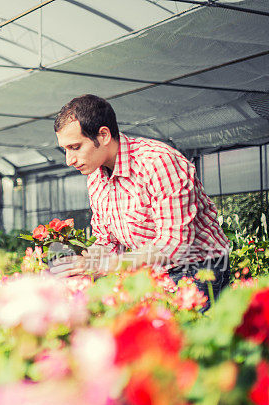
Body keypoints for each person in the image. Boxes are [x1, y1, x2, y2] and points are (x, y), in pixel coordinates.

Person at [50, 94, 230, 307]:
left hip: (199, 268)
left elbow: (173, 245)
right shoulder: (96, 177)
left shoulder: (158, 163)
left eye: (75, 147)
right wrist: (84, 265)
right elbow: (107, 240)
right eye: (65, 150)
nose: (69, 160)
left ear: (104, 135)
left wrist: (110, 264)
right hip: (151, 270)